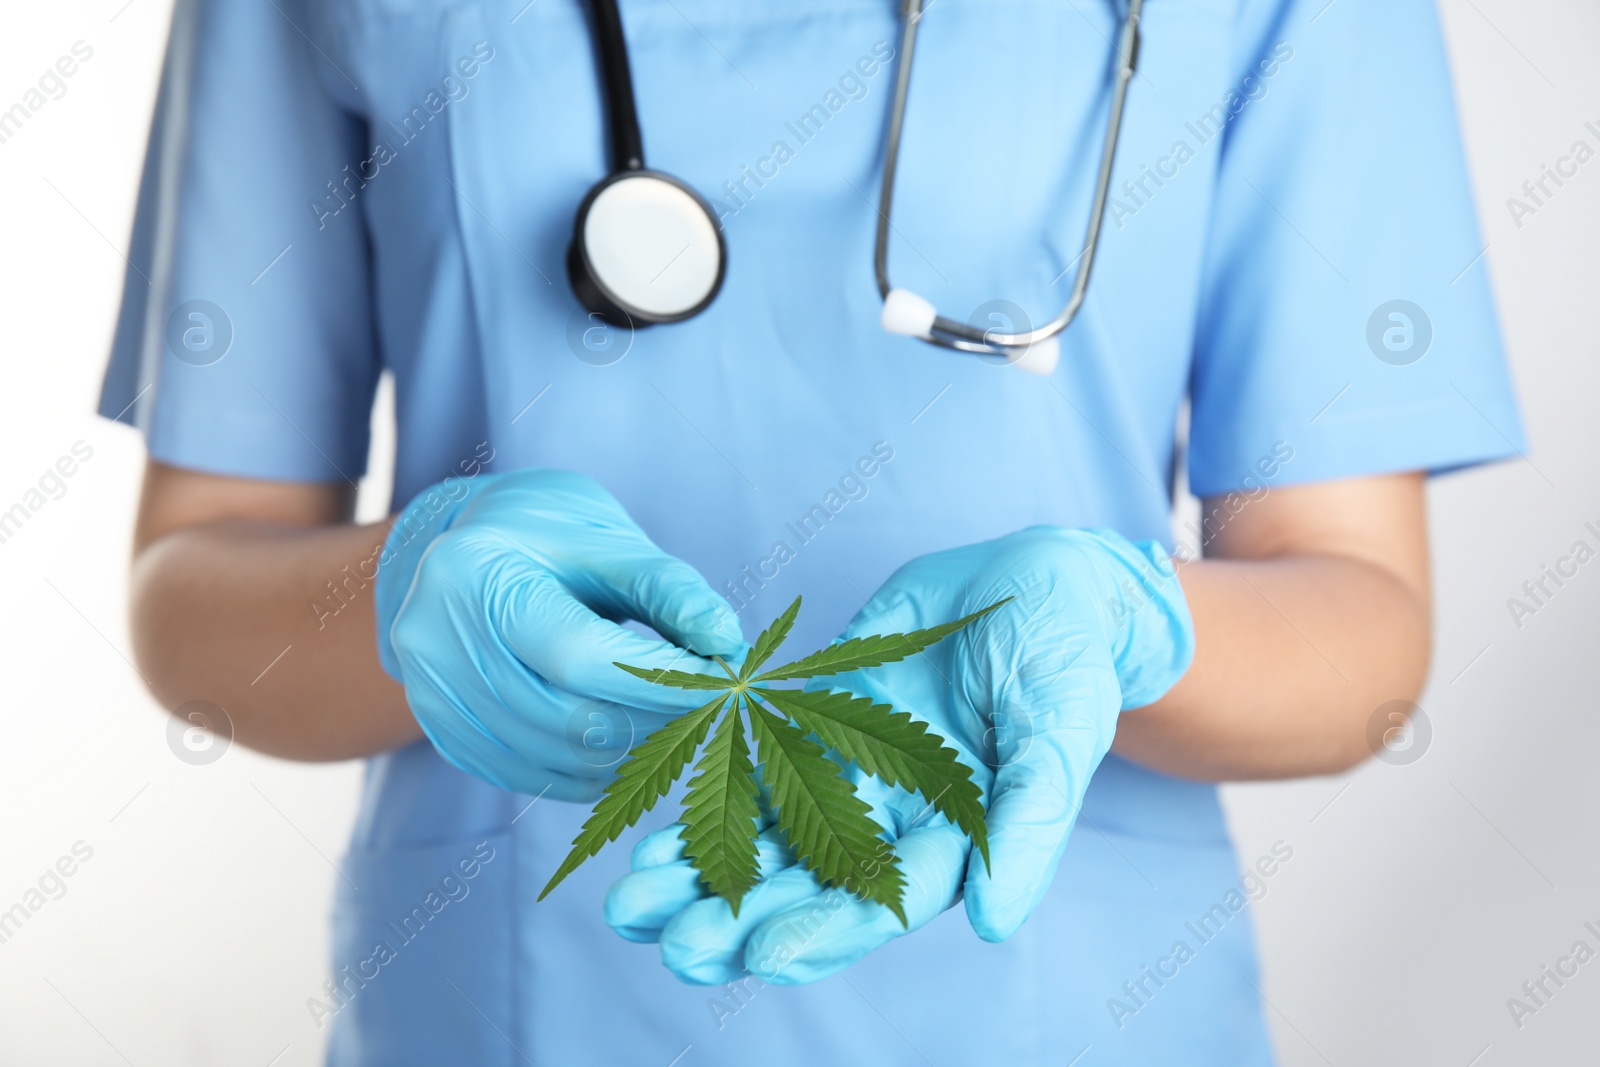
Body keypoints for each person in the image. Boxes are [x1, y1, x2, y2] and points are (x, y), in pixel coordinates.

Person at [103, 0, 1522, 1063]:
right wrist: (411, 598)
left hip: (1078, 1002)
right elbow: (194, 579)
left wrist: (1123, 623)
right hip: (513, 991)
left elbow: (1367, 634)